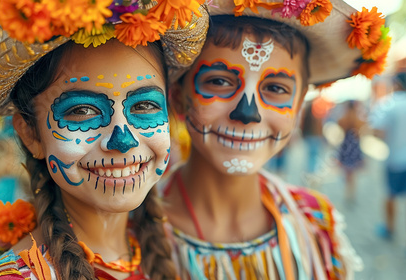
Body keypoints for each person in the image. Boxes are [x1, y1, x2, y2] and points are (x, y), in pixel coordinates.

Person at [0, 0, 208, 279]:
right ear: (30, 133)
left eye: (144, 106)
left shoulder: (183, 253)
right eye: (82, 111)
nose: (123, 140)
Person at [161, 1, 389, 279]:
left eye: (275, 88)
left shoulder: (316, 222)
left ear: (298, 105)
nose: (247, 113)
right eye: (219, 81)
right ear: (177, 97)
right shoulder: (126, 232)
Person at [371, 72, 406, 255]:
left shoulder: (388, 104)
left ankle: (389, 228)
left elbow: (377, 131)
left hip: (395, 159)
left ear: (396, 84)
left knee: (390, 195)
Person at [337, 100, 365, 201]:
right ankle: (351, 192)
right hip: (354, 145)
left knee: (346, 171)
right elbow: (363, 126)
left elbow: (339, 124)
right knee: (352, 172)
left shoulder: (344, 117)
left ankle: (347, 191)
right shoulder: (357, 118)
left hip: (346, 144)